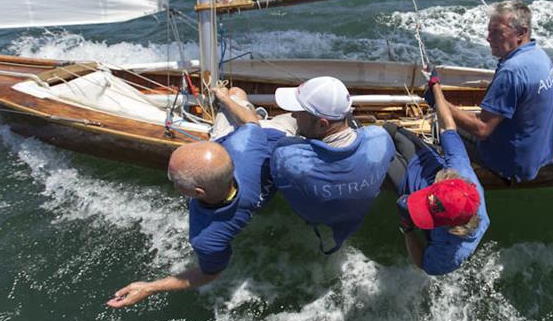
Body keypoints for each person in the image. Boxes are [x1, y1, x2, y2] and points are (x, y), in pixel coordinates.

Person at [107, 88, 279, 307]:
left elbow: (209, 273)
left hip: (241, 151)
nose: (172, 180)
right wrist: (225, 98)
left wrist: (149, 287)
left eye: (174, 179)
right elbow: (251, 123)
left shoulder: (206, 236)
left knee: (236, 103)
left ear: (199, 193)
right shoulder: (247, 145)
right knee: (237, 93)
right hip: (270, 140)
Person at [270, 76, 395, 254]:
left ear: (322, 124)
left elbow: (279, 170)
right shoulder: (380, 138)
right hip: (355, 217)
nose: (294, 114)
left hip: (314, 218)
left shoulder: (287, 157)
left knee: (280, 124)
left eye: (300, 112)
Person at [438, 0, 553, 183]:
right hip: (539, 156)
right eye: (489, 30)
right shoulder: (540, 55)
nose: (488, 38)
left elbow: (482, 130)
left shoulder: (511, 72)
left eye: (497, 32)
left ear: (521, 33)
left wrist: (439, 102)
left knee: (441, 130)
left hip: (511, 165)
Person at [387, 73, 490, 275]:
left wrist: (407, 229)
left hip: (406, 185)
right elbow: (447, 127)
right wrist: (435, 87)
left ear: (451, 228)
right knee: (389, 130)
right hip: (424, 164)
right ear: (449, 179)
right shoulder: (461, 170)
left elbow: (422, 263)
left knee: (380, 153)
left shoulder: (449, 254)